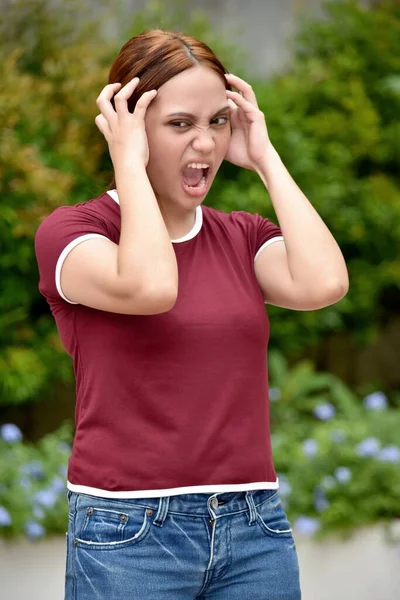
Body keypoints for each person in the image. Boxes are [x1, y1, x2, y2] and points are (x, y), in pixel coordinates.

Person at [34, 29, 349, 600]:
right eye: (180, 124)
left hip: (255, 529)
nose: (204, 144)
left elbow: (324, 283)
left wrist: (265, 158)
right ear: (130, 122)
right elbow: (152, 285)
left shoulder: (240, 236)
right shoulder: (73, 234)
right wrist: (128, 161)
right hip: (128, 535)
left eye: (217, 122)